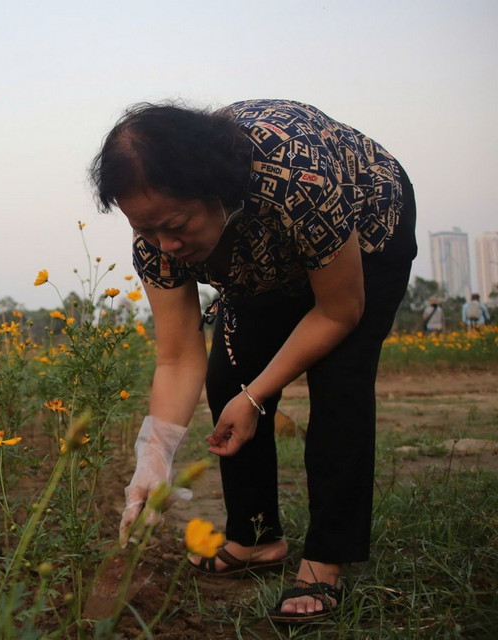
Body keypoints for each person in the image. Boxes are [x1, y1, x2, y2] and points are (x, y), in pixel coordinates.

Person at [90, 99, 416, 623]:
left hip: (366, 222)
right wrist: (154, 457)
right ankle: (256, 537)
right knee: (227, 377)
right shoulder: (159, 238)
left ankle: (326, 559)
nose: (165, 247)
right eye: (146, 231)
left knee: (339, 382)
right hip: (257, 250)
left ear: (217, 192)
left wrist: (258, 394)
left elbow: (338, 312)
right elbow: (177, 357)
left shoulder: (298, 181)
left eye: (175, 226)